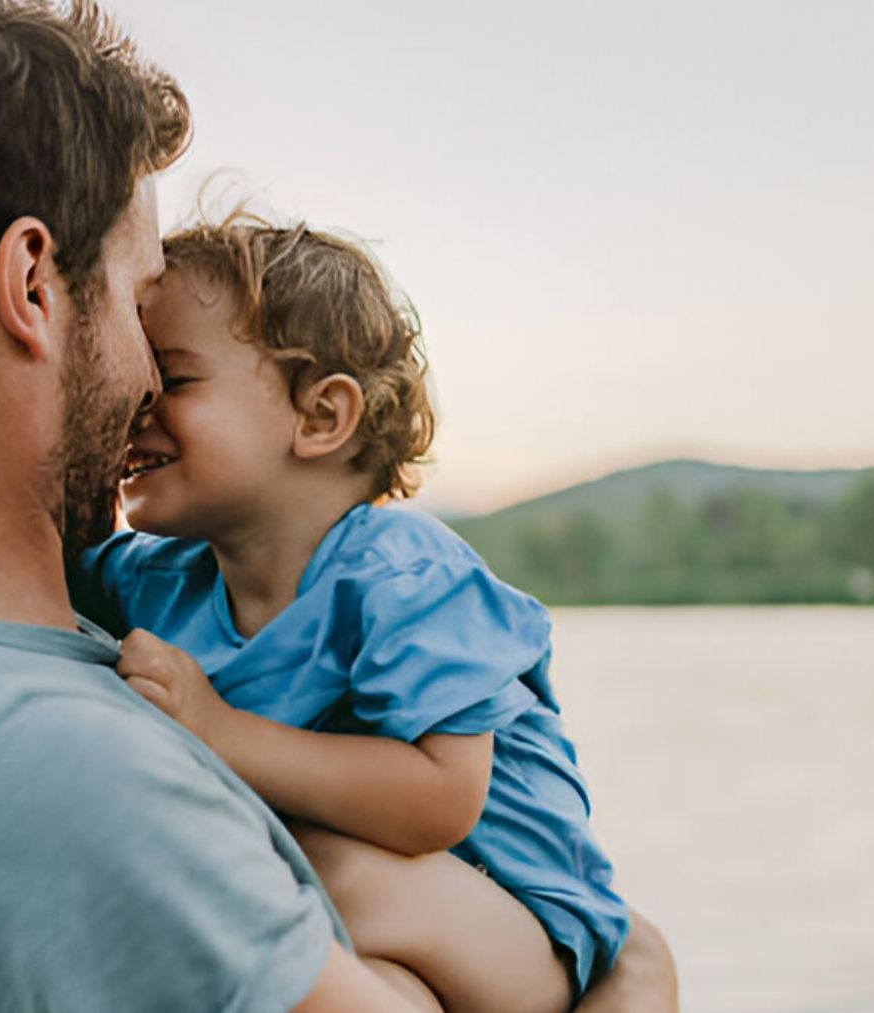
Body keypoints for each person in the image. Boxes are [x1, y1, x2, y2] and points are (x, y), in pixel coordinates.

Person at [0, 0, 678, 1009]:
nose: (143, 387)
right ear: (32, 286)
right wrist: (644, 977)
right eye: (138, 298)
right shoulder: (76, 774)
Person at [71, 216, 629, 1012]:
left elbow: (443, 799)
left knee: (304, 871)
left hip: (527, 931)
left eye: (175, 378)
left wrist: (222, 732)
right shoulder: (157, 582)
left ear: (322, 416)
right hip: (380, 939)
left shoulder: (404, 574)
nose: (137, 403)